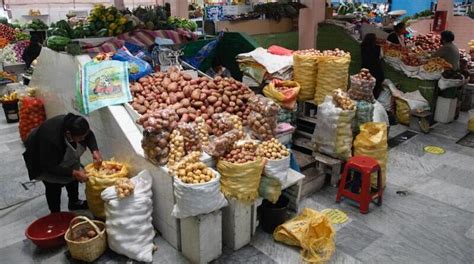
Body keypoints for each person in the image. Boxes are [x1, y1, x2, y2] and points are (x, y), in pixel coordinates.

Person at [23, 113, 103, 213]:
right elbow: (49, 167)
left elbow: (89, 135)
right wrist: (74, 173)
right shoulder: (50, 140)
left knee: (73, 175)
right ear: (69, 134)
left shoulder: (75, 125)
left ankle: (74, 202)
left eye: (83, 136)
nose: (83, 140)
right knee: (53, 184)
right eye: (80, 138)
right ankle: (55, 212)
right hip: (42, 156)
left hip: (57, 153)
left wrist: (95, 151)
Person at [361, 33, 385, 98]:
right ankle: (373, 96)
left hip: (365, 67)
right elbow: (381, 57)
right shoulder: (378, 48)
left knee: (365, 82)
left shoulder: (363, 46)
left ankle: (364, 93)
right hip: (376, 69)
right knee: (376, 84)